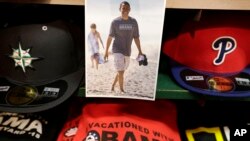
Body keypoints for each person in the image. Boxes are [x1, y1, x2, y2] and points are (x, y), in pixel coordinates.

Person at [104, 1, 143, 93]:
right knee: (121, 71)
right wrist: (106, 51)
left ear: (129, 10)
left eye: (126, 8)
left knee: (121, 71)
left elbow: (136, 37)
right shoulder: (115, 22)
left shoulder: (133, 22)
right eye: (123, 8)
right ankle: (122, 90)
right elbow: (110, 37)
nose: (125, 10)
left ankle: (113, 86)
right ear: (120, 9)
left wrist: (140, 51)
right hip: (117, 50)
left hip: (127, 51)